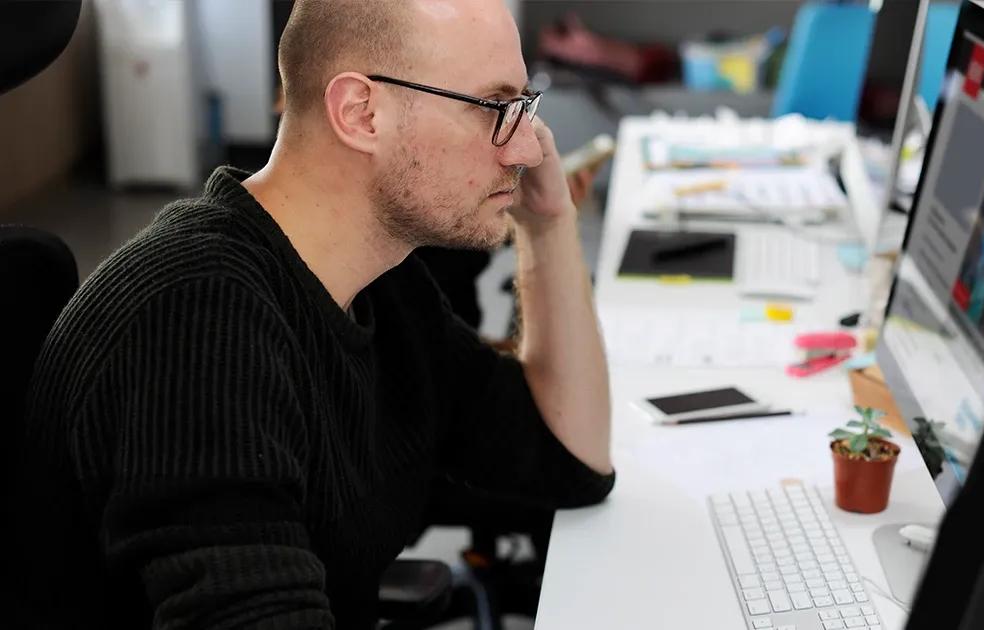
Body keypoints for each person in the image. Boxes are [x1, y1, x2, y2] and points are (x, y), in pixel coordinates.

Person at [6, 1, 614, 628]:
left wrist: (547, 226)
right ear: (360, 113)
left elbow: (568, 461)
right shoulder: (198, 321)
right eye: (493, 109)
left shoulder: (386, 287)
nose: (526, 151)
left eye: (524, 110)